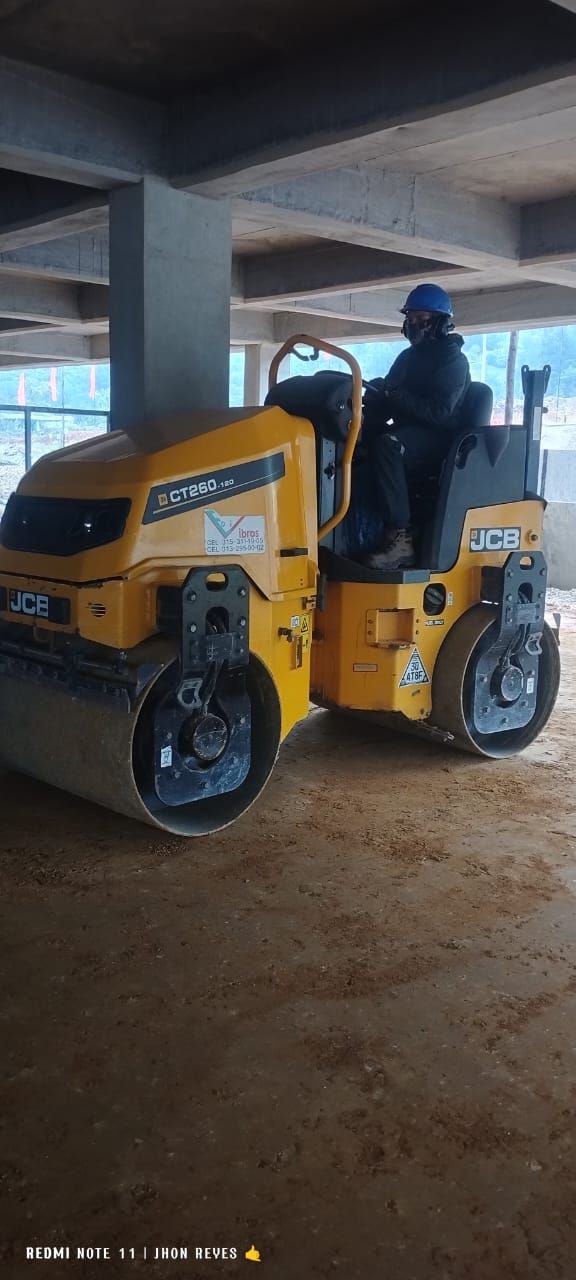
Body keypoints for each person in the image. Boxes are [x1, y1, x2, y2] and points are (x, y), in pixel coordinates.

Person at [361, 283, 471, 570]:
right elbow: (390, 395)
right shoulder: (407, 358)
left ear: (440, 323)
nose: (413, 325)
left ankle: (401, 539)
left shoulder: (453, 361)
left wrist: (397, 395)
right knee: (357, 440)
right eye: (410, 318)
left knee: (387, 445)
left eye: (421, 319)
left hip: (438, 437)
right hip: (408, 433)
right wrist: (367, 409)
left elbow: (440, 413)